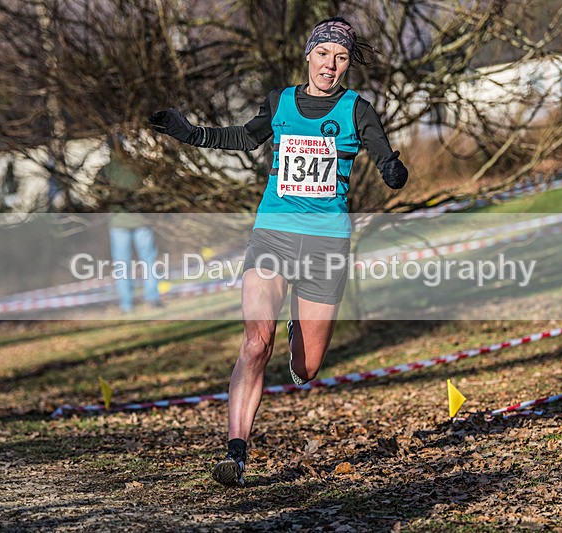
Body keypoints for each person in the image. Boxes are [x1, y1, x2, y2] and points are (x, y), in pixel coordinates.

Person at [149, 17, 408, 486]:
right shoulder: (281, 102)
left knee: (305, 370)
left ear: (348, 64)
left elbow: (380, 150)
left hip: (326, 245)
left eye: (341, 57)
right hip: (273, 236)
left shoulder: (356, 108)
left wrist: (392, 168)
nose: (331, 65)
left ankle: (297, 326)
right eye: (324, 54)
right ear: (308, 55)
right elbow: (242, 137)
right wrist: (190, 133)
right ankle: (236, 451)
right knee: (254, 344)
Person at [99, 136, 162, 313]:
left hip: (118, 223)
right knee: (148, 261)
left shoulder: (106, 171)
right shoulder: (136, 166)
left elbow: (95, 192)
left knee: (121, 266)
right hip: (141, 220)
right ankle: (153, 298)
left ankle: (126, 305)